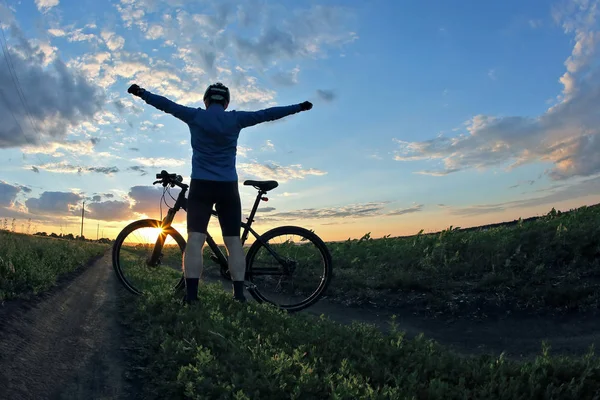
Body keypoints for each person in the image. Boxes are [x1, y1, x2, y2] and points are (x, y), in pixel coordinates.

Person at [127, 82, 313, 304]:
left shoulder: (194, 116)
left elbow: (166, 104)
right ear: (226, 102)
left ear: (206, 101)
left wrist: (142, 93)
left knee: (195, 240)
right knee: (234, 243)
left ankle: (192, 298)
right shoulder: (235, 119)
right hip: (227, 187)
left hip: (201, 185)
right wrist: (298, 107)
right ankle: (239, 297)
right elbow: (267, 114)